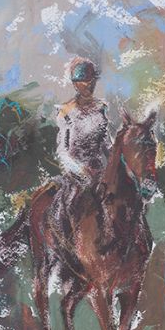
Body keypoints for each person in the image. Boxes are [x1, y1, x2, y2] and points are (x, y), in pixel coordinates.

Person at [54, 58, 112, 238]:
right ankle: (66, 243)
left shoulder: (101, 108)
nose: (90, 84)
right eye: (85, 81)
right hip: (76, 174)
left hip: (100, 171)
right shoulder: (66, 111)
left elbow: (106, 144)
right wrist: (81, 171)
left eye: (92, 80)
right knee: (72, 205)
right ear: (75, 84)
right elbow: (62, 151)